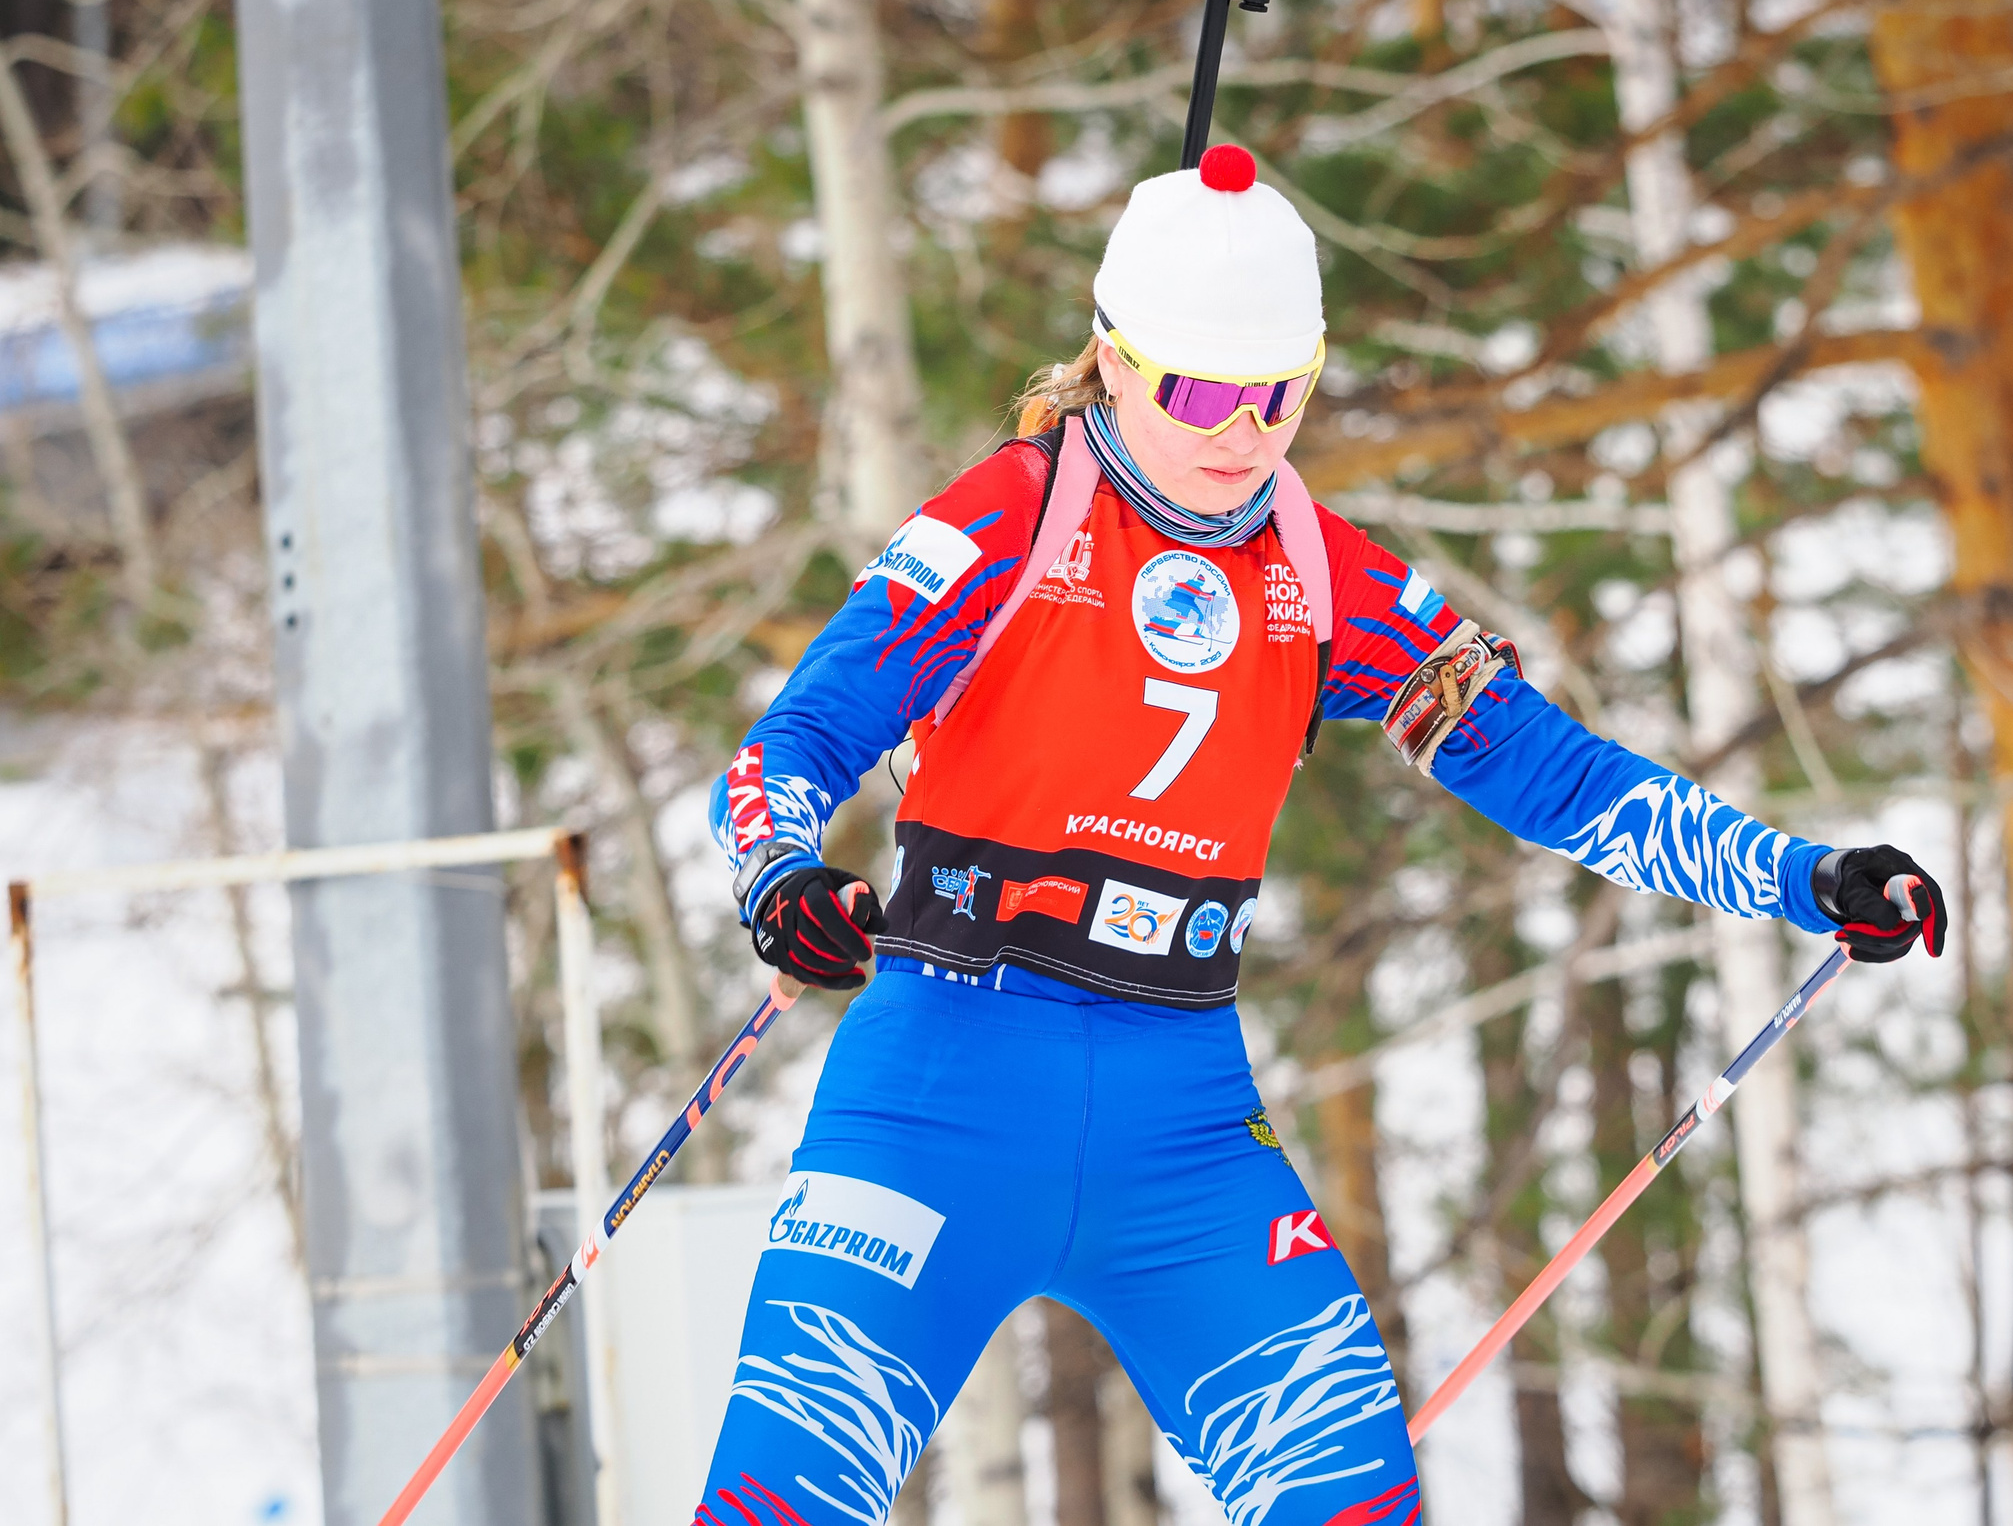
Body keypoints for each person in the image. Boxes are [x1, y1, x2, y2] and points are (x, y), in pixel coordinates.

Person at [692, 143, 1944, 1526]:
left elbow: (1552, 774)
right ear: (1113, 361)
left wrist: (1805, 875)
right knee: (783, 1497)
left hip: (1179, 1125)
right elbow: (797, 740)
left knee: (1352, 1496)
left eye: (1284, 394)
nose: (1245, 434)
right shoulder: (1010, 520)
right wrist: (783, 875)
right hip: (939, 1087)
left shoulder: (1322, 571)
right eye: (1207, 392)